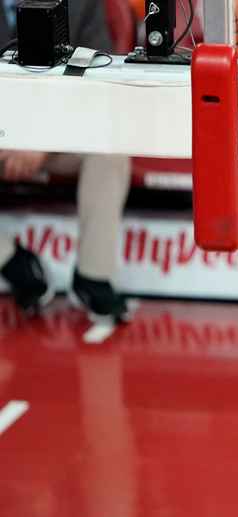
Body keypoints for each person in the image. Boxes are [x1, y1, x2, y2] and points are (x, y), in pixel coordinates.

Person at [0, 0, 132, 323]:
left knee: (110, 150)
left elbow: (98, 82)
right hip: (3, 134)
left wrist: (43, 140)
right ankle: (11, 262)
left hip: (59, 136)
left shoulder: (81, 2)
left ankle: (93, 275)